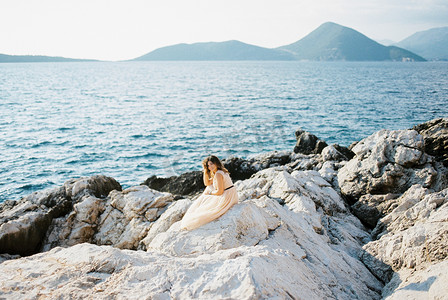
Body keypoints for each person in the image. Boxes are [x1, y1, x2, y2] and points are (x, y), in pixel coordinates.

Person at [180, 155, 239, 231]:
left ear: (216, 163)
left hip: (228, 196)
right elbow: (207, 183)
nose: (210, 166)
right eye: (208, 165)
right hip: (231, 194)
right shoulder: (219, 172)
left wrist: (210, 193)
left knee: (206, 196)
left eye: (211, 164)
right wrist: (205, 171)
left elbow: (220, 191)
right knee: (209, 188)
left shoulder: (218, 174)